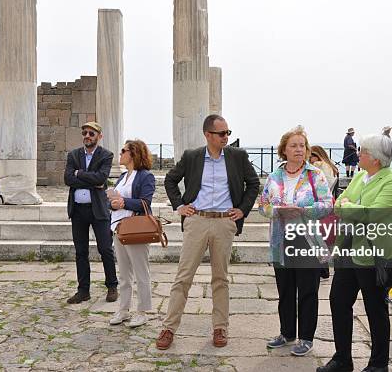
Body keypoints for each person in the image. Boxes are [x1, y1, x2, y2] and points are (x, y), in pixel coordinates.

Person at [156, 114, 260, 350]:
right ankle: (168, 328)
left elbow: (253, 184)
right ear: (208, 135)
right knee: (183, 277)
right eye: (221, 134)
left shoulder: (238, 156)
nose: (226, 137)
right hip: (197, 221)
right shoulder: (192, 157)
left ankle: (220, 328)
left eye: (228, 133)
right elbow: (170, 180)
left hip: (224, 222)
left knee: (220, 278)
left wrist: (243, 210)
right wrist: (179, 206)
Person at [317, 134, 392, 372]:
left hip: (373, 254)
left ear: (375, 159)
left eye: (363, 151)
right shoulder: (359, 176)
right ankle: (342, 360)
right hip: (347, 250)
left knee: (375, 309)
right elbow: (338, 203)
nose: (358, 154)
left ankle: (378, 365)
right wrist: (349, 207)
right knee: (338, 302)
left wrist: (349, 207)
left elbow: (373, 214)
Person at [259, 126, 333, 357]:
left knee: (308, 291)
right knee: (286, 290)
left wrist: (303, 210)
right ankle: (287, 333)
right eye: (294, 145)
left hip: (307, 239)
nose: (299, 149)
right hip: (281, 241)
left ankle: (306, 338)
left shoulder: (315, 175)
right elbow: (262, 205)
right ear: (284, 150)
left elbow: (327, 204)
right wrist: (277, 211)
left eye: (302, 145)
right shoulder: (275, 176)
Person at [64, 121, 118, 304]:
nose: (87, 136)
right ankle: (83, 290)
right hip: (78, 210)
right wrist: (90, 180)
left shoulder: (106, 155)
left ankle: (112, 286)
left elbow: (101, 178)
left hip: (98, 210)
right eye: (85, 133)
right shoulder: (73, 155)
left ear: (99, 136)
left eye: (91, 133)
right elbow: (68, 179)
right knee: (81, 251)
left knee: (105, 249)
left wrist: (79, 174)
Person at [108, 140, 156, 328]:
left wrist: (123, 203)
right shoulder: (121, 176)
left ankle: (142, 311)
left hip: (135, 229)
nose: (120, 154)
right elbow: (115, 202)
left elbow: (146, 202)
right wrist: (112, 202)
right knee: (124, 274)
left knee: (141, 272)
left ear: (133, 153)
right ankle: (124, 309)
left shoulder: (146, 177)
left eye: (123, 151)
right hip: (118, 228)